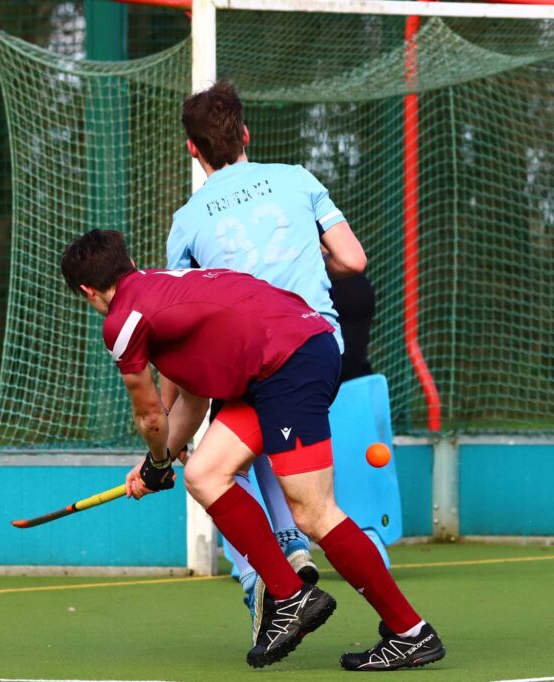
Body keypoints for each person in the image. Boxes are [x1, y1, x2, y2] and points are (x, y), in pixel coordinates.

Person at [60, 229, 445, 671]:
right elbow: (192, 401)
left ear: (87, 290)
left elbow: (150, 417)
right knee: (204, 474)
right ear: (126, 263)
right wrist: (154, 463)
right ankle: (292, 597)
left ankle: (410, 632)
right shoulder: (167, 286)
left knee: (313, 512)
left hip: (292, 365)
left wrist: (159, 460)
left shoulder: (123, 322)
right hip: (281, 362)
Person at [167, 80, 367, 623]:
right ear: (246, 134)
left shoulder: (187, 221)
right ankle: (290, 552)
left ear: (192, 148)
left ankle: (259, 571)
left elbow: (179, 326)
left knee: (213, 460)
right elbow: (353, 260)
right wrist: (309, 264)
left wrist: (166, 425)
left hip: (251, 359)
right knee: (247, 435)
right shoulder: (297, 178)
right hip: (319, 347)